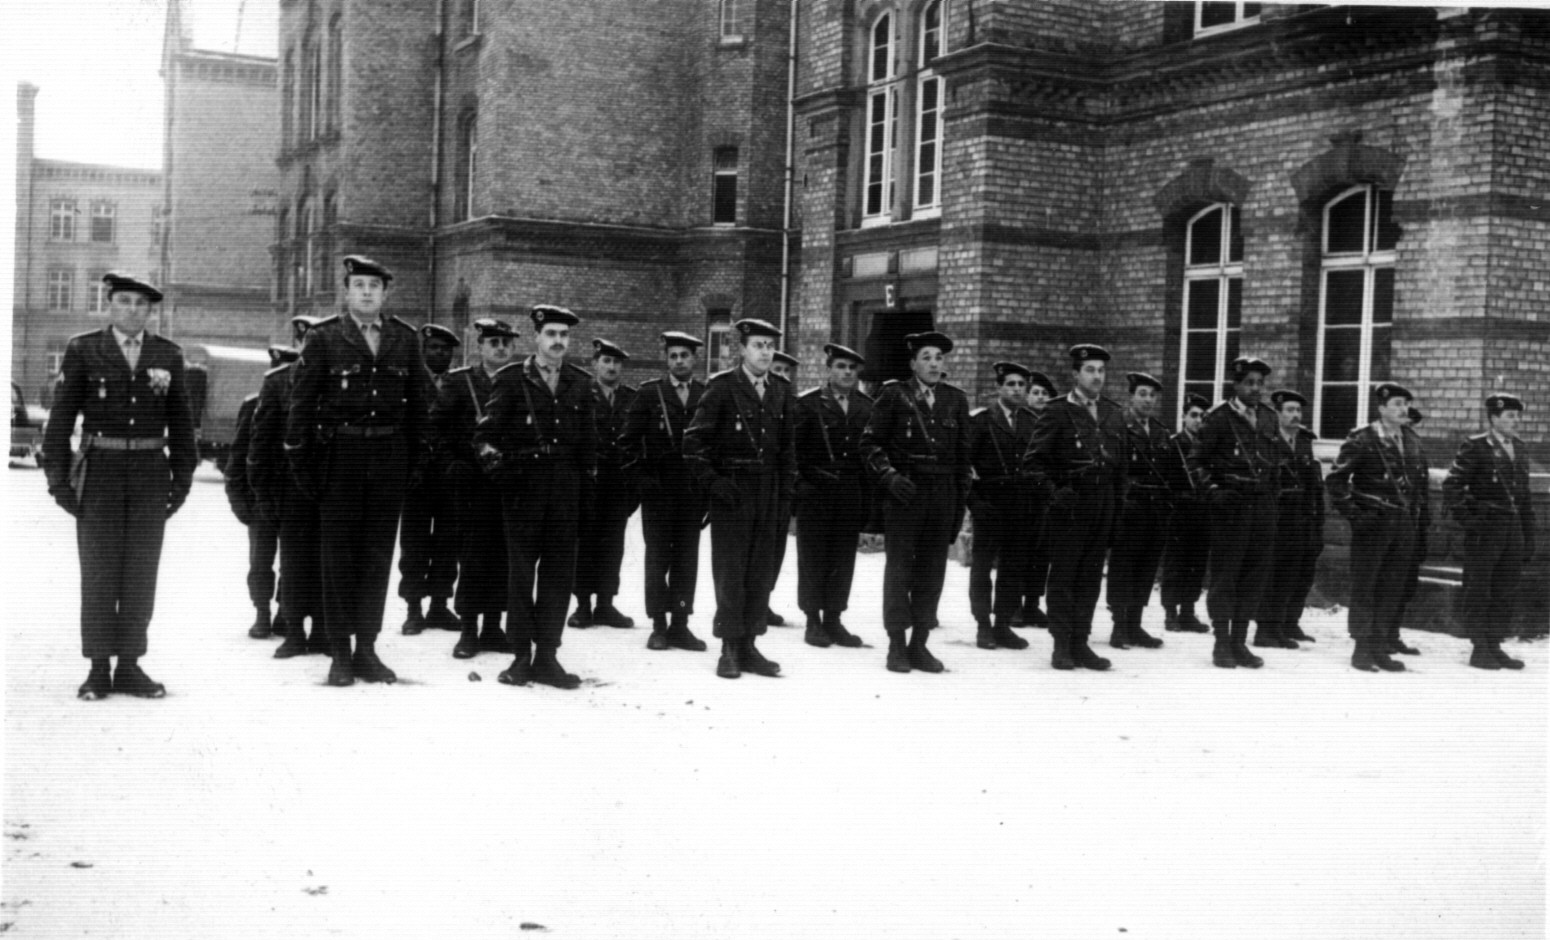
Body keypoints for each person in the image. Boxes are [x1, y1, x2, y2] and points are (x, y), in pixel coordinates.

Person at [43, 272, 197, 700]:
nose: (132, 310)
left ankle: (129, 665)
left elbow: (182, 424)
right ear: (109, 304)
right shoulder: (84, 349)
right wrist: (58, 481)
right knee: (99, 573)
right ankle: (98, 668)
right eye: (124, 301)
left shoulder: (168, 354)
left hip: (150, 475)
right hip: (100, 475)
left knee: (140, 574)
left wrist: (182, 480)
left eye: (141, 304)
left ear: (150, 312)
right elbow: (60, 422)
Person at [286, 255, 433, 686]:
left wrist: (415, 462)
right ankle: (339, 652)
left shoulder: (404, 339)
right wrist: (304, 466)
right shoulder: (324, 337)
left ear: (385, 293)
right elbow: (300, 407)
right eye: (359, 285)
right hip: (341, 459)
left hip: (389, 458)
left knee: (377, 557)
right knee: (338, 558)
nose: (367, 292)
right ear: (347, 292)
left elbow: (420, 407)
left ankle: (366, 648)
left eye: (374, 286)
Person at [474, 305, 597, 690]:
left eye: (564, 335)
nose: (558, 341)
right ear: (537, 337)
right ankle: (520, 656)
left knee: (559, 574)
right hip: (523, 489)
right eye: (551, 334)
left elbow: (589, 444)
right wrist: (503, 475)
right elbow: (484, 438)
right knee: (521, 574)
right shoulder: (512, 379)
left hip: (564, 491)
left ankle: (547, 654)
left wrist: (586, 490)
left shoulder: (580, 382)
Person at [683, 318, 798, 679]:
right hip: (733, 492)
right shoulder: (722, 387)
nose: (766, 352)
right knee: (731, 571)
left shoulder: (781, 390)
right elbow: (694, 443)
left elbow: (788, 447)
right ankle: (729, 647)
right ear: (743, 349)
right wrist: (713, 482)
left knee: (761, 571)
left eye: (770, 346)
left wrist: (786, 493)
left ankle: (750, 643)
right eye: (758, 345)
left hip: (769, 492)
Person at [860, 331, 971, 674]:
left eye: (939, 357)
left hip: (942, 496)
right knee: (899, 571)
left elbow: (963, 459)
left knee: (932, 572)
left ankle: (919, 643)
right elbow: (870, 444)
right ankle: (896, 644)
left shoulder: (955, 400)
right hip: (905, 495)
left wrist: (957, 506)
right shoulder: (894, 395)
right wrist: (889, 477)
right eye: (927, 357)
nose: (934, 364)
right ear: (912, 364)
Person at [1027, 344, 1125, 671]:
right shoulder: (1057, 411)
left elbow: (1121, 470)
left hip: (1102, 504)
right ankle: (1061, 644)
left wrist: (1116, 511)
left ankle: (1081, 642)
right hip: (1070, 506)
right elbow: (1033, 463)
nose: (1097, 376)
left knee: (1090, 577)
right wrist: (1054, 493)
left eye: (1101, 370)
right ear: (1075, 374)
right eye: (1090, 370)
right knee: (1064, 576)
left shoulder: (1112, 412)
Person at [1325, 382, 1429, 673]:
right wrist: (1356, 515)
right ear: (1381, 407)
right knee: (1366, 586)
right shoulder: (1363, 439)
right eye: (1397, 404)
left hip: (1403, 523)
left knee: (1391, 587)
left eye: (1406, 404)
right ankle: (1362, 648)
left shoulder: (1410, 438)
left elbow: (1418, 485)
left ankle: (1380, 646)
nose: (1403, 409)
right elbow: (1335, 481)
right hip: (1374, 524)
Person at [431, 318, 517, 659]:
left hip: (508, 482)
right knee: (472, 555)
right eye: (493, 342)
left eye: (506, 343)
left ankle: (493, 627)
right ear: (480, 346)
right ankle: (468, 630)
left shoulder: (520, 382)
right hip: (471, 483)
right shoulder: (460, 382)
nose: (500, 348)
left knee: (503, 555)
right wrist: (451, 465)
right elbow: (435, 428)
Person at [620, 331, 710, 653]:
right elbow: (627, 444)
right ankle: (658, 624)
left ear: (694, 359)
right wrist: (642, 481)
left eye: (684, 356)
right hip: (658, 492)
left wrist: (710, 490)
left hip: (692, 492)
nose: (679, 361)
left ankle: (680, 624)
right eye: (673, 356)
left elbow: (715, 445)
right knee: (658, 558)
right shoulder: (649, 394)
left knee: (687, 560)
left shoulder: (706, 394)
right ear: (666, 360)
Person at [1191, 356, 1282, 670]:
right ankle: (1221, 642)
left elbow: (1276, 462)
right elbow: (1196, 461)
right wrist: (1213, 491)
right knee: (1226, 577)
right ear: (1236, 384)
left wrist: (1273, 500)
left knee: (1254, 576)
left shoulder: (1269, 417)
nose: (1255, 388)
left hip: (1262, 507)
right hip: (1231, 507)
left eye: (1260, 383)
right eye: (1249, 383)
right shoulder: (1218, 418)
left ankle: (1239, 642)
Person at [251, 316, 328, 659]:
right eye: (305, 343)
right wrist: (263, 494)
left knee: (328, 561)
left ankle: (323, 631)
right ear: (297, 345)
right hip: (291, 488)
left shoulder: (339, 381)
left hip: (331, 487)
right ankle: (294, 631)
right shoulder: (278, 382)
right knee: (294, 563)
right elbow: (260, 444)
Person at [1442, 394, 1535, 671]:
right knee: (1479, 588)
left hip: (1512, 529)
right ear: (1494, 418)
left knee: (1505, 588)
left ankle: (1495, 644)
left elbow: (1524, 496)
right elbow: (1452, 485)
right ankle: (1479, 647)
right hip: (1486, 529)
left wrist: (1528, 535)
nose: (1516, 421)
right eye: (1510, 416)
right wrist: (1470, 520)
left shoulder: (1519, 447)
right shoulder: (1476, 446)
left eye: (1518, 416)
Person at [794, 343, 873, 649]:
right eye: (841, 366)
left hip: (850, 492)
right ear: (828, 370)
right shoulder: (808, 404)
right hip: (816, 492)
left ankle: (834, 619)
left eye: (852, 368)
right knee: (813, 556)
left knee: (843, 556)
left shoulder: (866, 407)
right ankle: (812, 620)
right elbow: (793, 452)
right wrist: (803, 486)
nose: (847, 373)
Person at [226, 345, 298, 640]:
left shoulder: (308, 405)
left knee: (292, 561)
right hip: (262, 496)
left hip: (294, 496)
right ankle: (262, 613)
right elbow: (238, 456)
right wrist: (239, 500)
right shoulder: (253, 405)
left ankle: (283, 612)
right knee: (260, 561)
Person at [966, 361, 1037, 652]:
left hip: (1021, 505)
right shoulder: (981, 421)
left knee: (1013, 565)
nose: (1017, 389)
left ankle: (1003, 624)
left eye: (1021, 385)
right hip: (989, 503)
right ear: (999, 387)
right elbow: (964, 465)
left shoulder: (1031, 422)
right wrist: (974, 503)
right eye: (1010, 384)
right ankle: (983, 624)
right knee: (982, 566)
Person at [571, 338, 640, 630]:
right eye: (606, 361)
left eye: (616, 362)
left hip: (619, 485)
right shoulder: (580, 394)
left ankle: (606, 604)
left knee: (613, 545)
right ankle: (582, 605)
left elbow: (638, 443)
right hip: (589, 482)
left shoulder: (632, 398)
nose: (611, 367)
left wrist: (633, 488)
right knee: (584, 542)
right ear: (594, 364)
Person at [398, 323, 462, 635]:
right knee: (414, 543)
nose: (440, 354)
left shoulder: (460, 383)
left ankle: (439, 605)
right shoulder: (408, 383)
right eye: (434, 348)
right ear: (423, 351)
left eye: (445, 349)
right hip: (416, 478)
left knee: (449, 542)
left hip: (450, 478)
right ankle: (413, 608)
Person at [1104, 371, 1172, 650]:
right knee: (1123, 566)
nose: (1147, 400)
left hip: (1154, 509)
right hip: (1129, 508)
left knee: (1146, 565)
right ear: (1131, 397)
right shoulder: (1118, 427)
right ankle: (1119, 626)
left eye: (1152, 396)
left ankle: (1135, 623)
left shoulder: (1160, 432)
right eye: (1142, 394)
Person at [1254, 390, 1324, 648]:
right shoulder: (1267, 441)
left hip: (1303, 521)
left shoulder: (1304, 441)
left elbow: (1314, 485)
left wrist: (1316, 523)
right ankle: (1266, 630)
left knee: (1300, 574)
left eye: (1298, 411)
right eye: (1290, 410)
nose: (1296, 415)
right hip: (1278, 521)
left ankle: (1289, 623)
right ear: (1278, 414)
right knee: (1274, 576)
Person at [1161, 393, 1212, 633]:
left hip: (1202, 512)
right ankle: (1171, 612)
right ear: (1183, 417)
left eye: (1202, 416)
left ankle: (1188, 612)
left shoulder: (1208, 447)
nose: (1198, 420)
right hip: (1179, 513)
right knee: (1176, 562)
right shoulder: (1173, 445)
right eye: (1193, 415)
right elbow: (1166, 479)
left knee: (1197, 563)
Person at [1013, 369, 1058, 629]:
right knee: (1020, 551)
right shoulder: (1020, 420)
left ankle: (1032, 604)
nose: (1040, 397)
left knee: (1042, 554)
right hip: (1023, 497)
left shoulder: (1056, 421)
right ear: (1028, 396)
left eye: (1045, 394)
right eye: (1036, 393)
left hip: (1046, 498)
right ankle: (1013, 606)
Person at [764, 348, 802, 628]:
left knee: (776, 548)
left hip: (783, 487)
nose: (783, 376)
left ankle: (763, 600)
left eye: (787, 371)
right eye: (777, 370)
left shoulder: (796, 406)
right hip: (758, 485)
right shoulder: (758, 402)